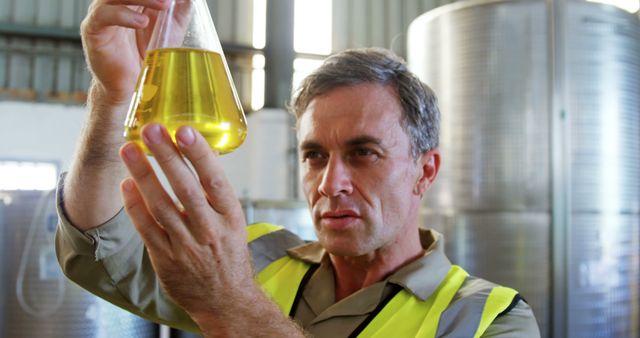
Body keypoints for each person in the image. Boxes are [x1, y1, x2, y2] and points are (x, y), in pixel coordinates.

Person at [55, 0, 540, 337]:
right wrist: (114, 95)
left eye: (363, 153)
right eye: (314, 155)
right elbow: (101, 251)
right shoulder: (258, 258)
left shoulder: (486, 319)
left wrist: (229, 304)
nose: (331, 184)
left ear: (425, 170)